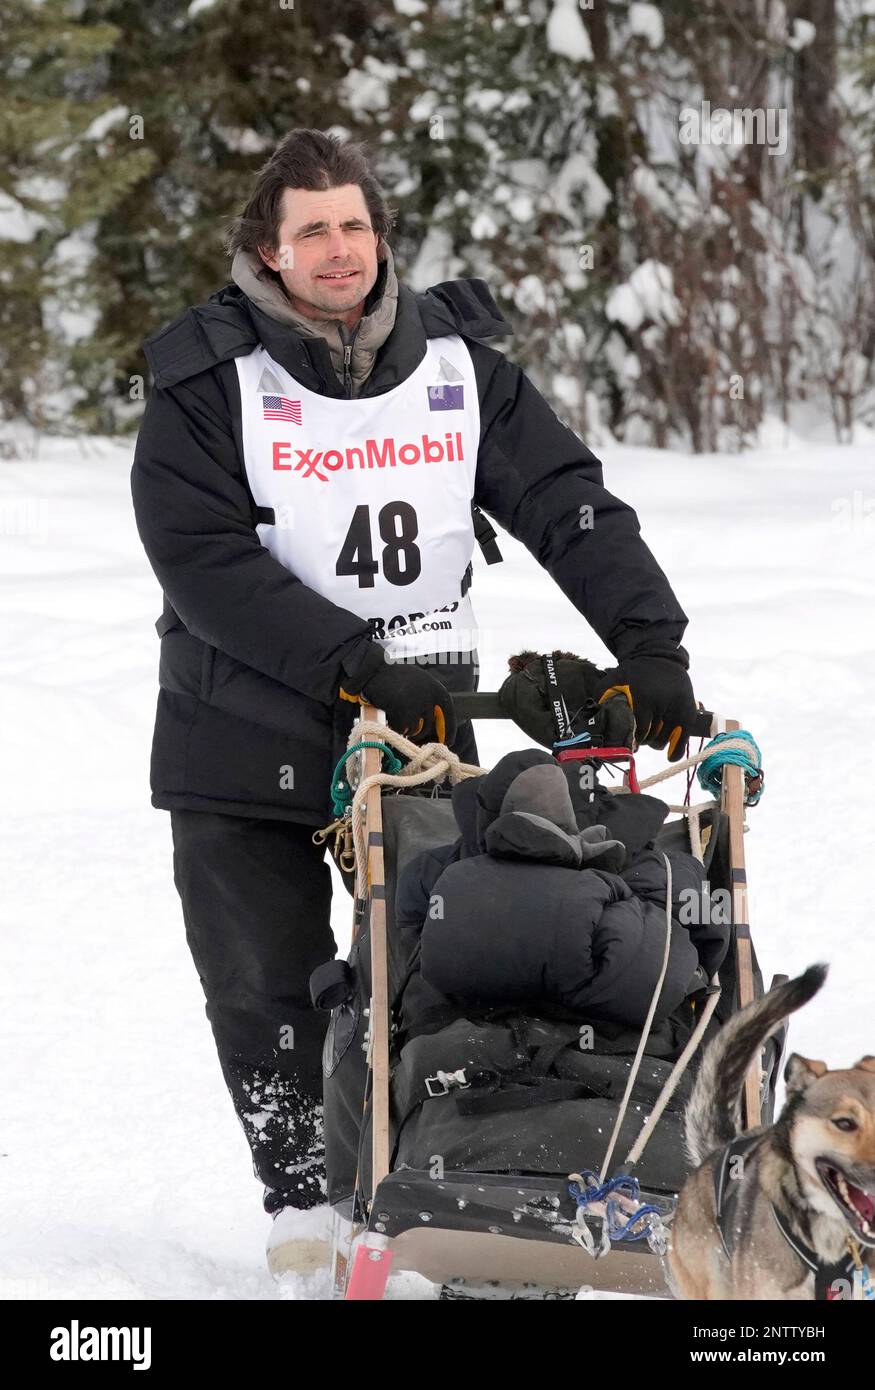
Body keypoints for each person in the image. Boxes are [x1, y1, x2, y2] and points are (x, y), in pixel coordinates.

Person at [130, 128, 697, 1276]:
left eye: (354, 225)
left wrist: (649, 641)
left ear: (378, 235)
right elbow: (198, 558)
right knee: (261, 977)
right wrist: (347, 659)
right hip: (238, 718)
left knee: (436, 955)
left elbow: (564, 499)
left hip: (422, 720)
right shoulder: (204, 377)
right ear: (266, 249)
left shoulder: (457, 361)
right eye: (311, 231)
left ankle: (420, 1177)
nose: (338, 251)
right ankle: (300, 1202)